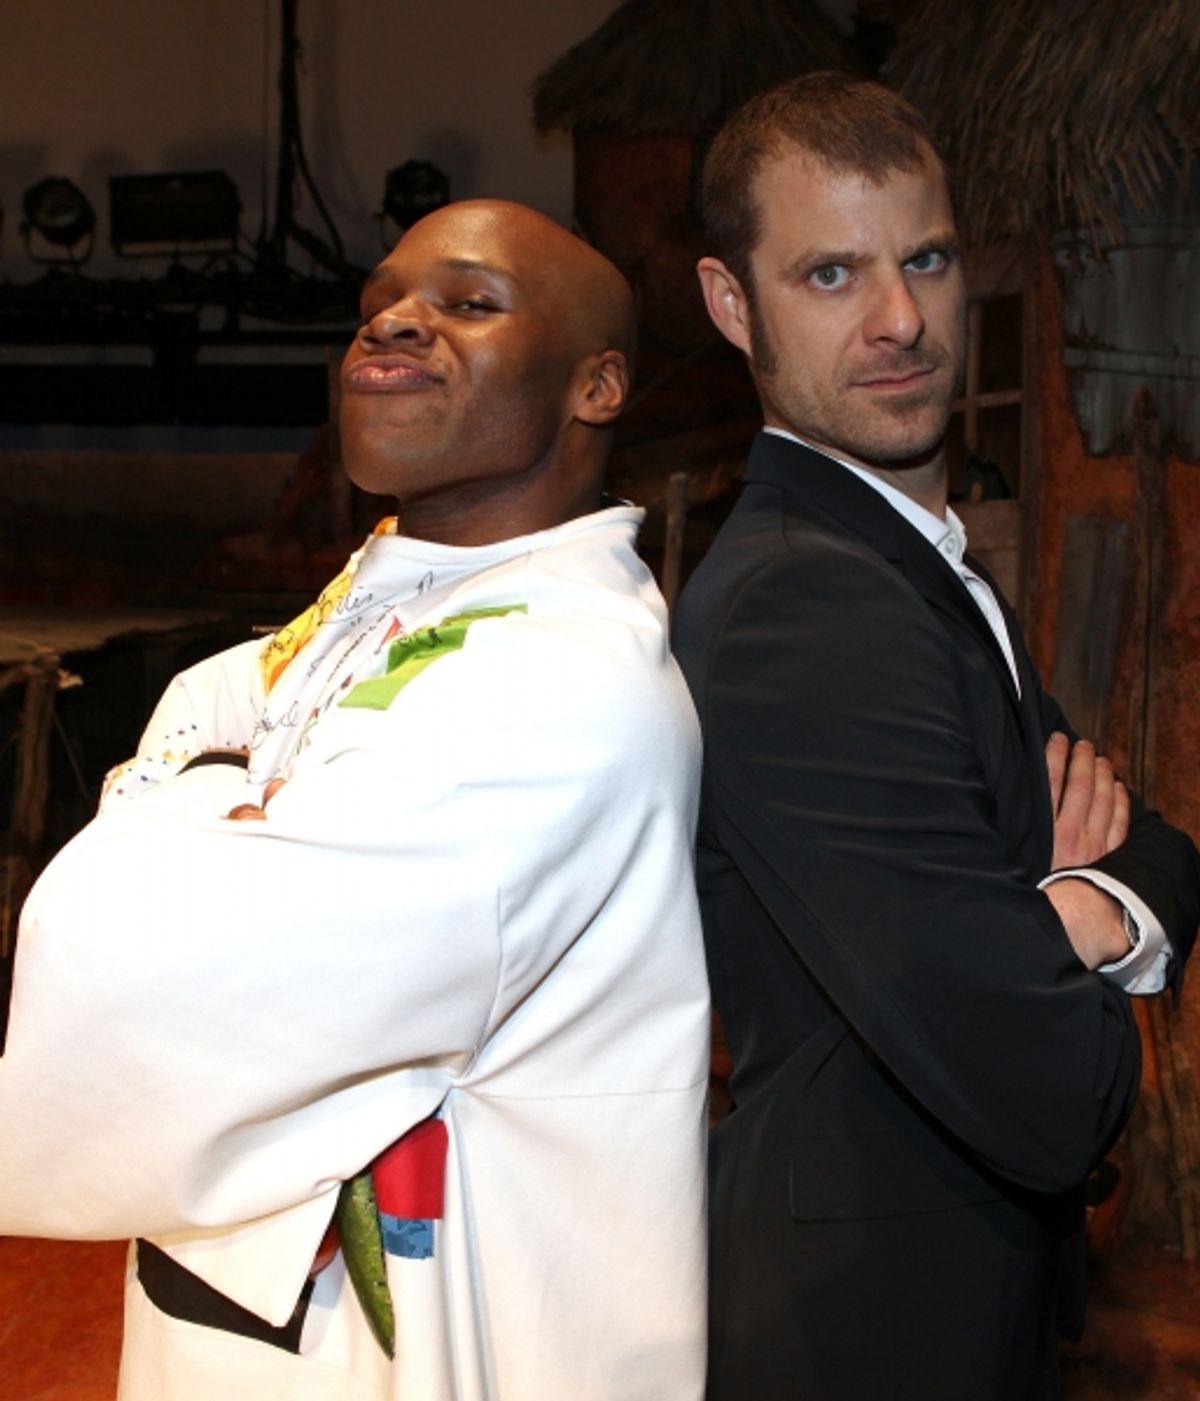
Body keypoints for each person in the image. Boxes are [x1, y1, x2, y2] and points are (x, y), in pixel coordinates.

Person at [0, 200, 709, 1401]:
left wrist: (196, 802)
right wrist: (222, 808)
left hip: (419, 1334)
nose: (395, 321)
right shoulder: (389, 596)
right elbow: (192, 715)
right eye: (381, 300)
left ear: (596, 386)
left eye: (469, 303)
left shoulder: (563, 675)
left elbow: (163, 958)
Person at [672, 72, 1200, 1401]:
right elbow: (1046, 1086)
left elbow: (1167, 846)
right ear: (733, 304)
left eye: (925, 258)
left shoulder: (898, 560)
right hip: (866, 1329)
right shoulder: (807, 603)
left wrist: (1058, 908)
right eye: (831, 275)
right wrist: (1082, 911)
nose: (900, 318)